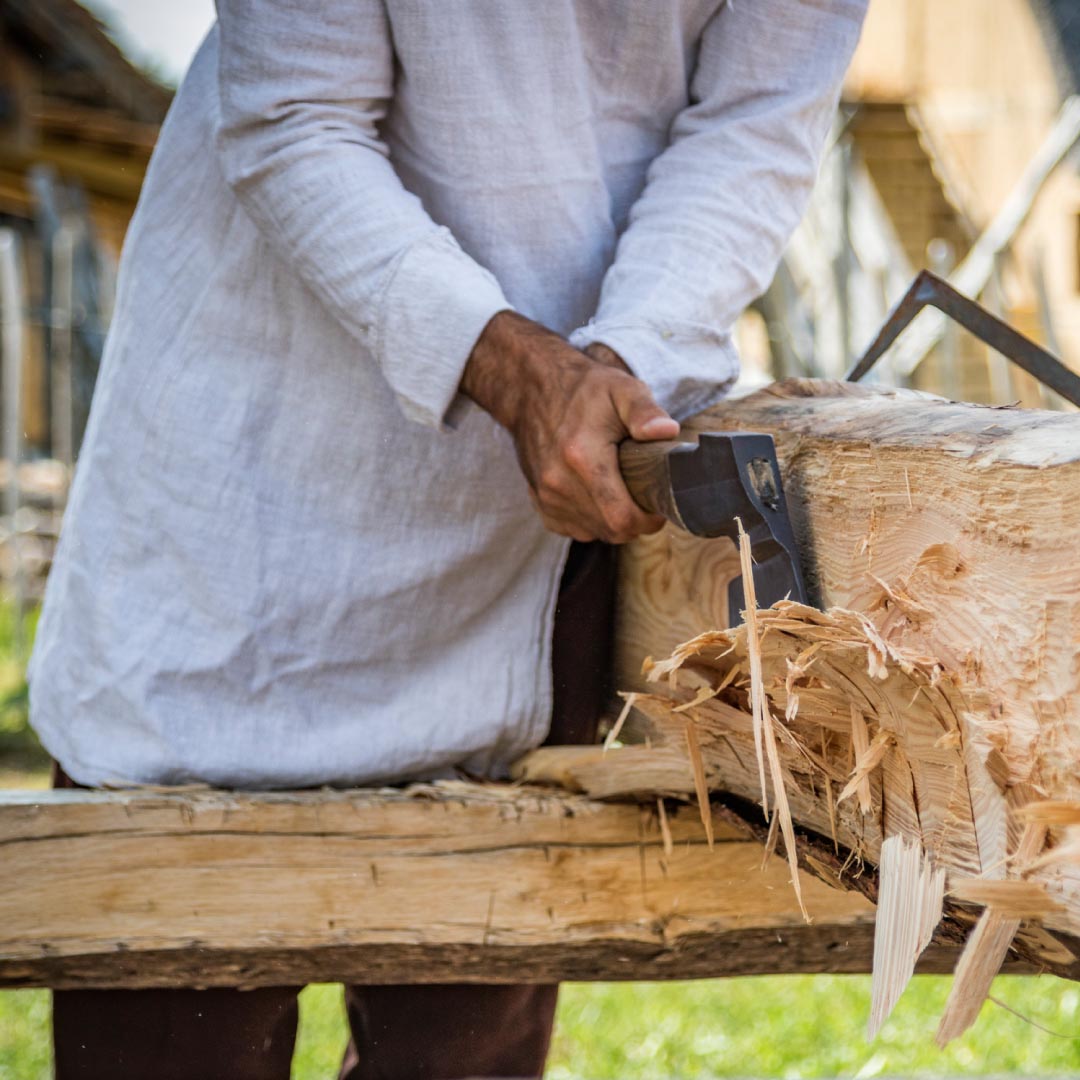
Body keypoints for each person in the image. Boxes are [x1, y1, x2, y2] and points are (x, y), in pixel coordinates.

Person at [28, 1, 868, 1076]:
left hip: (548, 500)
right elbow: (293, 108)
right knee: (168, 1005)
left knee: (465, 1032)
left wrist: (626, 358)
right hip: (262, 442)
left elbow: (753, 122)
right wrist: (516, 370)